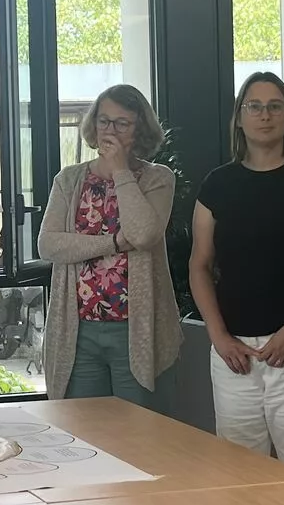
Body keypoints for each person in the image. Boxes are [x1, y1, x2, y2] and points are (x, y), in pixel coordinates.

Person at [191, 72, 284, 470]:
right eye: (254, 106)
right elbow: (200, 265)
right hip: (235, 352)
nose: (265, 115)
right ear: (239, 117)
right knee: (240, 474)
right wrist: (218, 337)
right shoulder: (218, 184)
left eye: (275, 106)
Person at [38, 85, 181, 410]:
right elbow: (49, 244)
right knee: (83, 427)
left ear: (140, 129)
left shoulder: (157, 179)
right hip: (78, 330)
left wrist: (120, 170)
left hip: (137, 330)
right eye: (104, 121)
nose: (110, 131)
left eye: (121, 123)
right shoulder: (69, 180)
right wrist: (114, 242)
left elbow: (143, 234)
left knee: (142, 430)